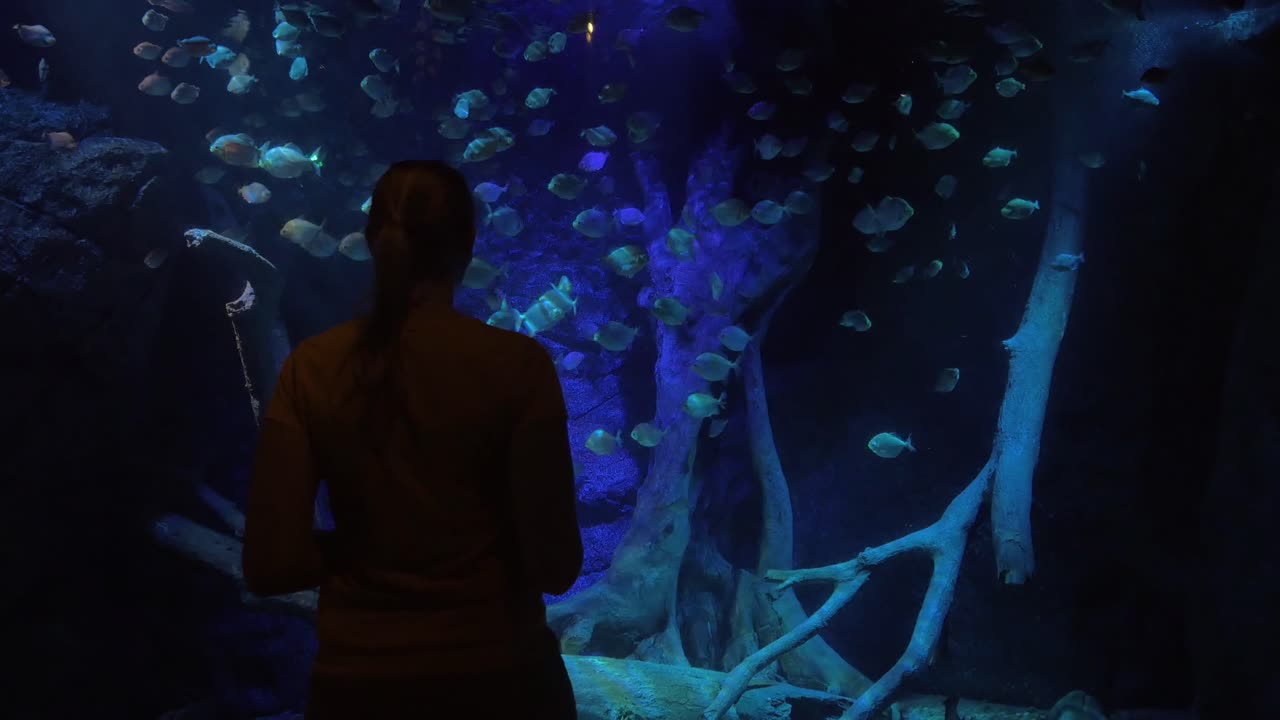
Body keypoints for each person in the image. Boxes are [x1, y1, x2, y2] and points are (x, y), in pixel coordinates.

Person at [241, 160, 583, 719]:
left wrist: (369, 550)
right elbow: (558, 565)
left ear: (373, 243)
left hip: (361, 685)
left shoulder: (314, 368)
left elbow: (269, 563)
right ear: (467, 247)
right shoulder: (518, 366)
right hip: (503, 678)